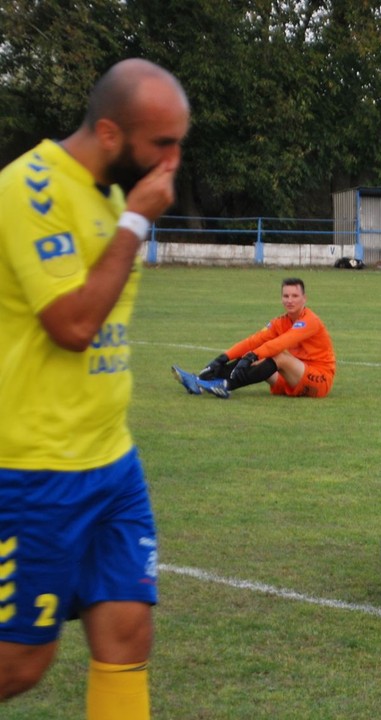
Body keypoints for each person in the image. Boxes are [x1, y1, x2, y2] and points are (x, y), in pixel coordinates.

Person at [0, 59, 190, 718]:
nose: (173, 160)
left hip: (112, 464)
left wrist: (128, 218)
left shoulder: (112, 196)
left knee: (128, 633)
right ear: (110, 132)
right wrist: (134, 225)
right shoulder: (29, 188)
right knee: (21, 663)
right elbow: (74, 325)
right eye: (161, 144)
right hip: (32, 469)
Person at [171, 278, 335, 399]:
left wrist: (251, 356)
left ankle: (226, 385)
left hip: (318, 381)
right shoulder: (280, 322)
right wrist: (223, 358)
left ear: (304, 299)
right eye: (286, 296)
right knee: (257, 353)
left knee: (276, 355)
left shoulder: (310, 321)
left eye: (295, 296)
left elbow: (281, 343)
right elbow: (254, 341)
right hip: (290, 377)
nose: (290, 300)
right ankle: (200, 381)